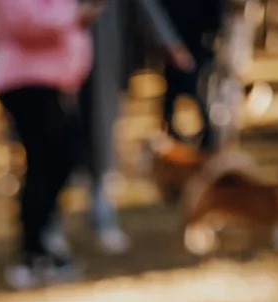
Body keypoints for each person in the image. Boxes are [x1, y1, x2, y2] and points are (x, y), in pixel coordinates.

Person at [48, 0, 194, 256]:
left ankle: (101, 214)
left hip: (101, 54)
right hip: (50, 59)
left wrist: (168, 42)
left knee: (101, 136)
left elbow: (142, 5)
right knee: (55, 143)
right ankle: (50, 226)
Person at [0, 0, 97, 290]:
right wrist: (74, 15)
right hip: (26, 80)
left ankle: (44, 243)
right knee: (46, 165)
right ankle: (32, 253)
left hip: (51, 80)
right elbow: (26, 24)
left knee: (60, 161)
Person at [160, 0, 225, 150]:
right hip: (175, 36)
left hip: (197, 42)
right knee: (173, 94)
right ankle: (172, 140)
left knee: (196, 92)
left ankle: (208, 141)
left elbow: (215, 13)